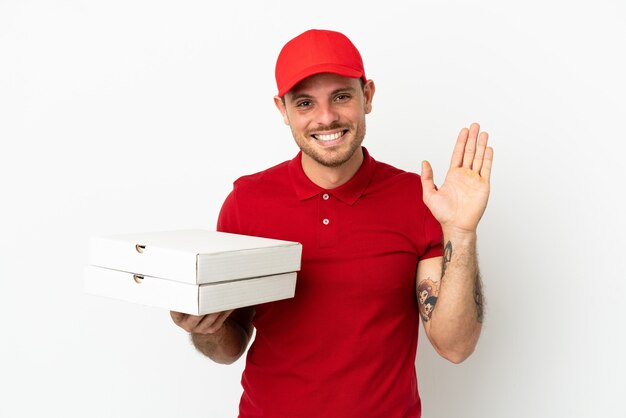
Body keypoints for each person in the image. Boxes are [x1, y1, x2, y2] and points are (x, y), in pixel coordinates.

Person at [171, 29, 493, 417]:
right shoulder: (247, 203)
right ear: (283, 109)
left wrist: (460, 231)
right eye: (305, 103)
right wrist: (203, 327)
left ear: (367, 96)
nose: (326, 118)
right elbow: (230, 346)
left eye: (341, 96)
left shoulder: (417, 198)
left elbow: (454, 346)